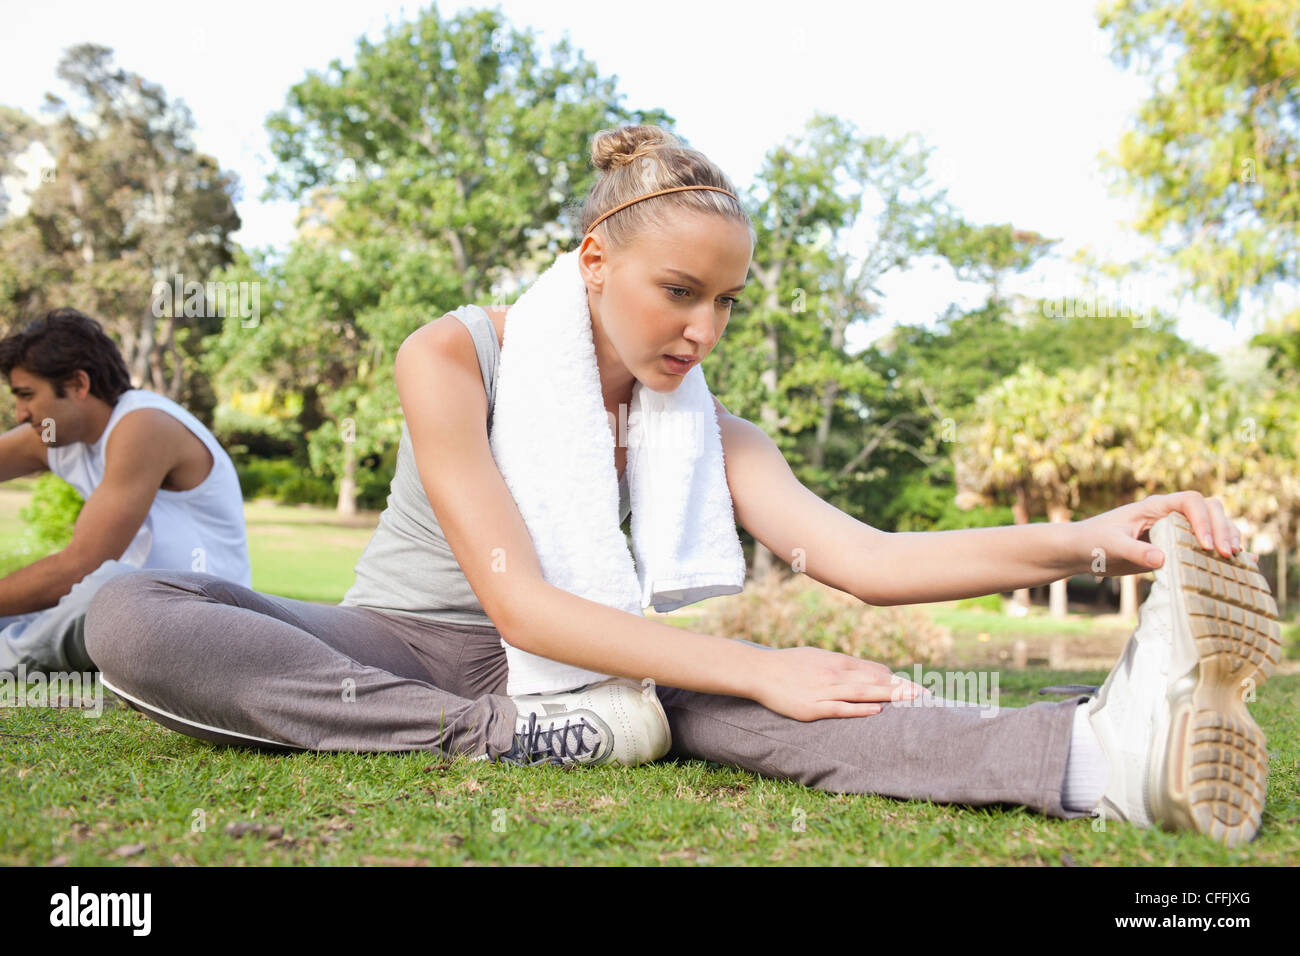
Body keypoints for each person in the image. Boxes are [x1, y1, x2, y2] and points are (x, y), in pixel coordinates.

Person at [82, 125, 1277, 845]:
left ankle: (1100, 758)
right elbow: (519, 611)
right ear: (592, 261)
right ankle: (512, 735)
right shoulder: (453, 356)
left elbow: (867, 560)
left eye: (724, 302)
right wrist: (757, 661)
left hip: (611, 674)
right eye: (676, 291)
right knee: (129, 612)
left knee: (772, 704)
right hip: (406, 646)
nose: (702, 329)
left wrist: (1089, 539)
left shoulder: (706, 426)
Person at [0, 308, 250, 674]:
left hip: (202, 621)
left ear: (78, 385)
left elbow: (78, 567)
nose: (21, 413)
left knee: (107, 583)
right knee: (97, 592)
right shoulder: (57, 434)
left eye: (27, 395)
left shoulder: (144, 424)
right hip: (127, 610)